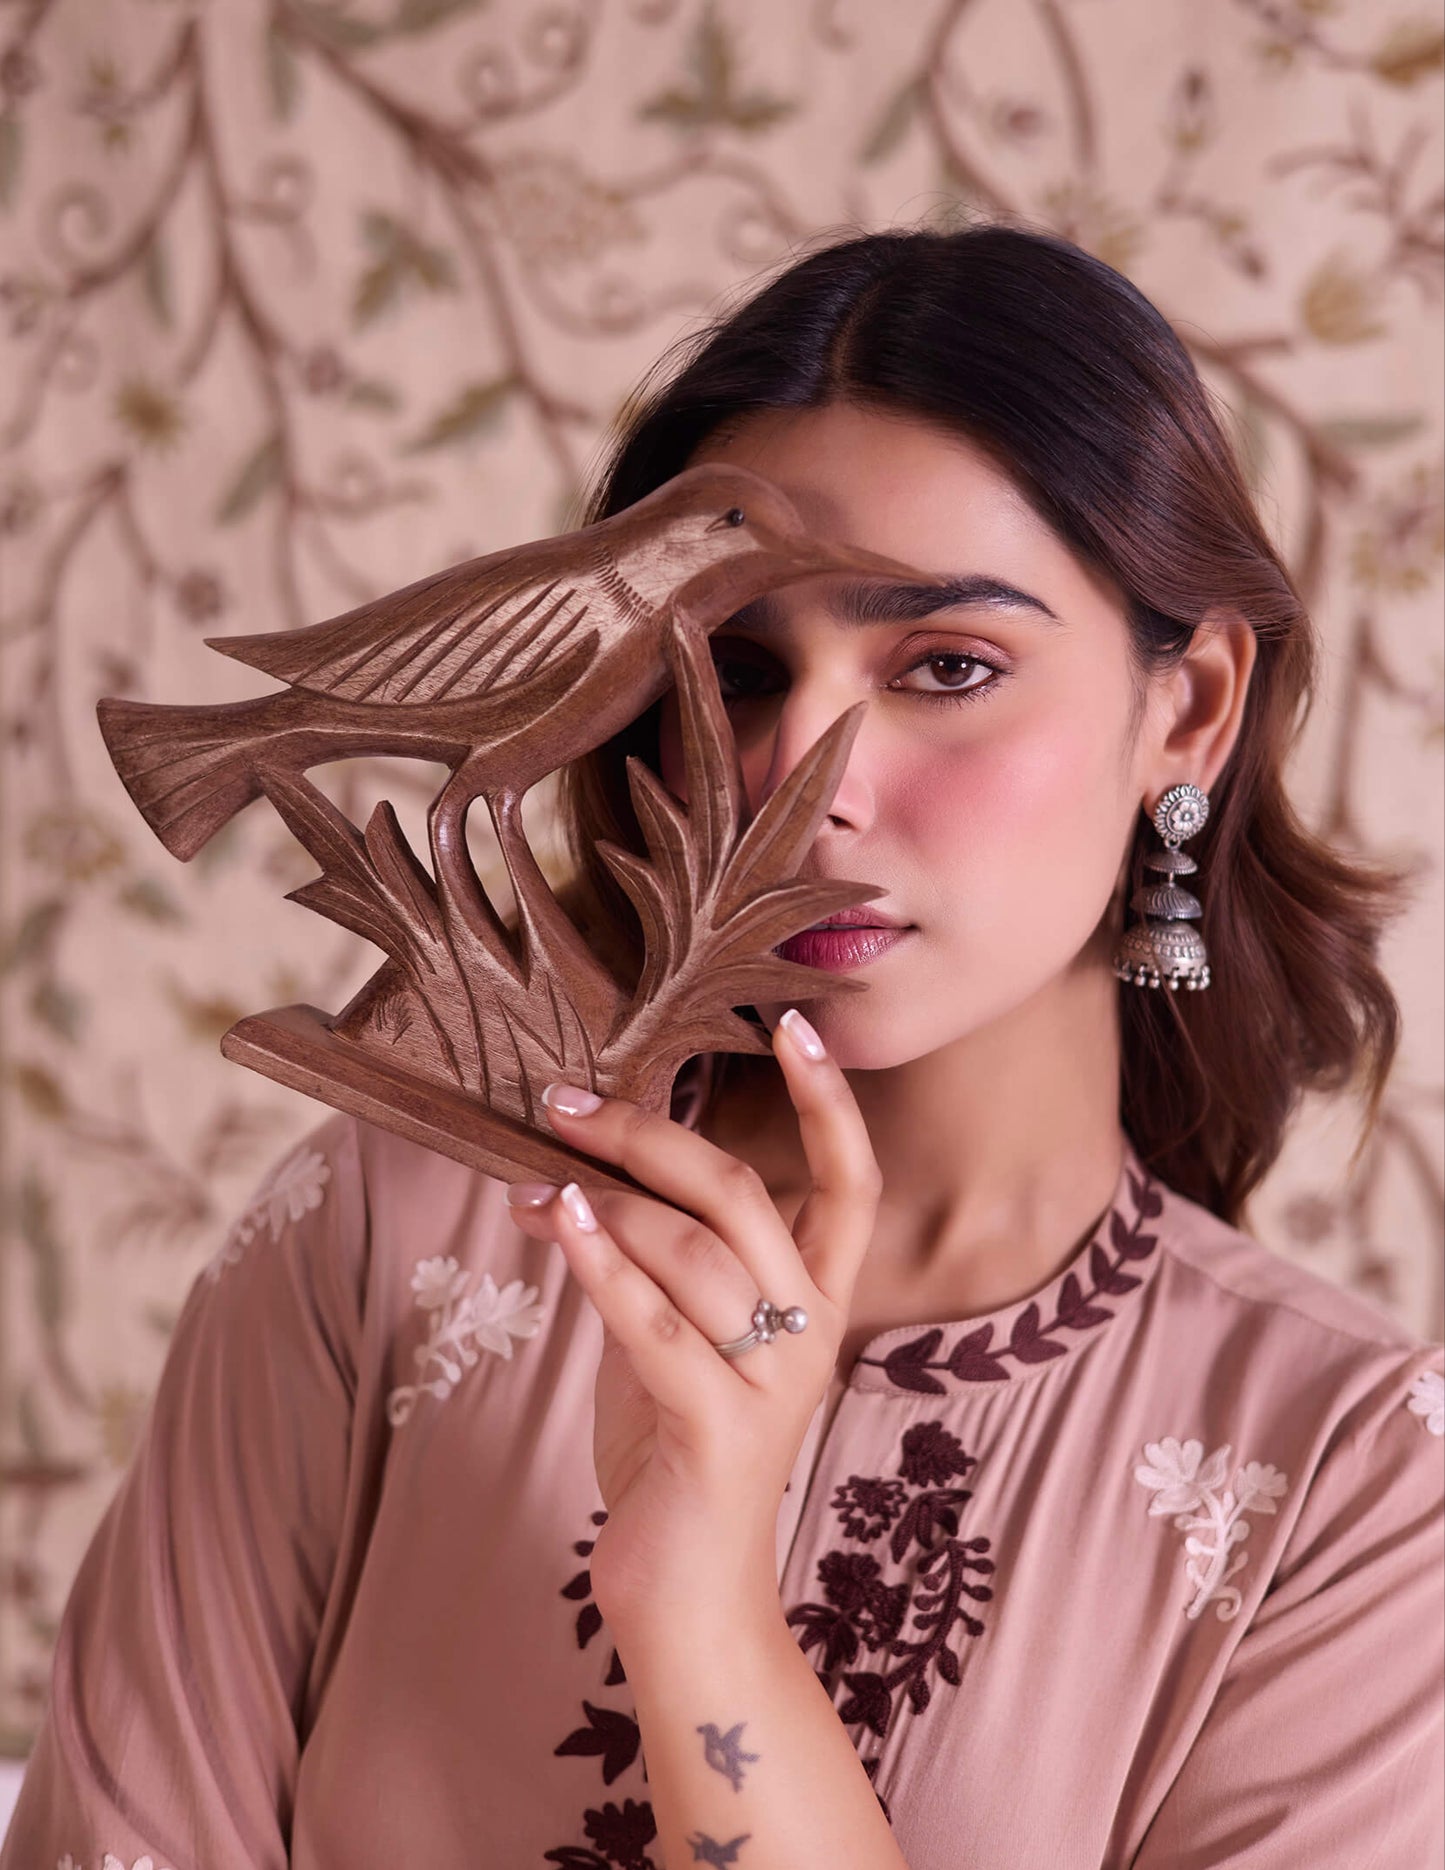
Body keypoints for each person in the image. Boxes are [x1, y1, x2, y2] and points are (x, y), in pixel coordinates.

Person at [4, 224, 1441, 1870]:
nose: (797, 778)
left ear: (1185, 712)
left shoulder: (1346, 1485)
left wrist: (697, 1612)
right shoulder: (385, 1234)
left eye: (946, 666)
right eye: (738, 671)